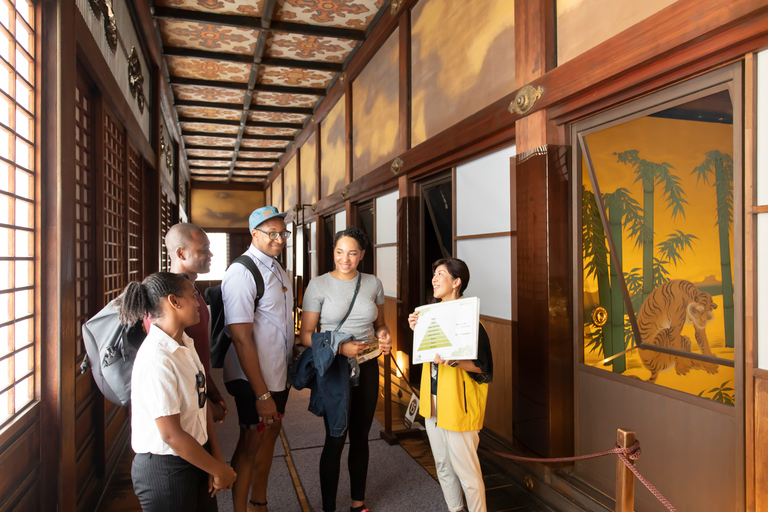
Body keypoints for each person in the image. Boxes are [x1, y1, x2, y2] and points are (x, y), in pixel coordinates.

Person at [118, 272, 236, 511]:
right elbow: (171, 435)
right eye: (193, 296)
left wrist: (216, 460)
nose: (198, 303)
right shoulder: (157, 358)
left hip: (195, 455)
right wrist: (218, 470)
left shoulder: (184, 341)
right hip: (165, 469)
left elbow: (201, 407)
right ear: (174, 301)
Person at [299, 226, 393, 512]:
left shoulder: (373, 283)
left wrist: (385, 337)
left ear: (362, 255)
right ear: (334, 253)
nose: (345, 259)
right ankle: (328, 507)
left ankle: (358, 503)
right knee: (336, 437)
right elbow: (305, 335)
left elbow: (381, 325)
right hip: (335, 368)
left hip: (367, 365)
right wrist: (340, 348)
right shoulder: (319, 285)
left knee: (361, 436)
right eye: (340, 252)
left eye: (352, 253)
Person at [222, 206, 294, 512]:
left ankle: (259, 502)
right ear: (254, 234)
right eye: (272, 233)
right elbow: (240, 337)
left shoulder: (277, 267)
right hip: (253, 377)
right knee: (250, 441)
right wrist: (261, 393)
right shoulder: (242, 271)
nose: (279, 239)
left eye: (283, 233)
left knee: (272, 434)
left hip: (277, 370)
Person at [408, 258, 493, 512]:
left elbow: (483, 368)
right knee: (443, 465)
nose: (434, 278)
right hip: (433, 404)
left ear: (457, 282)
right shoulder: (429, 317)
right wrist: (417, 330)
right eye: (434, 273)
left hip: (458, 405)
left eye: (441, 274)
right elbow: (426, 357)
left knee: (467, 472)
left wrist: (455, 361)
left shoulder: (472, 322)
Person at [164, 223, 227, 423]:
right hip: (182, 403)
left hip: (199, 391)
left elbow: (195, 355)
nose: (211, 255)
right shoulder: (167, 299)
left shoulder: (193, 292)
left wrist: (212, 391)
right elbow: (170, 362)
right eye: (204, 250)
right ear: (181, 254)